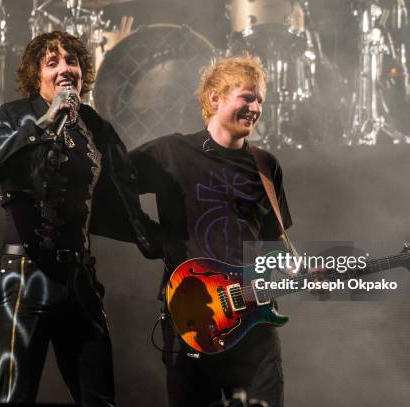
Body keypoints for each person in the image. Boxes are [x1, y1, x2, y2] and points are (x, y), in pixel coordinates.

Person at [0, 31, 159, 406]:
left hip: (80, 281)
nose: (64, 69)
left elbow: (118, 206)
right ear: (36, 75)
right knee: (16, 397)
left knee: (99, 398)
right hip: (25, 279)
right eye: (52, 62)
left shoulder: (97, 127)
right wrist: (44, 121)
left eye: (71, 61)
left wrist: (169, 242)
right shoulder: (14, 115)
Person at [129, 56, 292, 407]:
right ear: (215, 98)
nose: (256, 107)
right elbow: (109, 187)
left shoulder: (266, 166)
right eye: (248, 97)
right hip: (193, 317)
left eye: (261, 99)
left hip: (256, 324)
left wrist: (298, 267)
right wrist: (150, 236)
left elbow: (274, 239)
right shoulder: (171, 152)